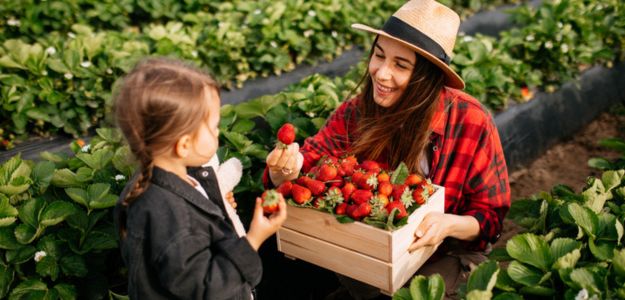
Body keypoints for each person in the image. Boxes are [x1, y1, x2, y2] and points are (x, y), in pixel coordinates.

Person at [265, 0, 510, 299]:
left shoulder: (471, 121)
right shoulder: (356, 114)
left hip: (448, 254)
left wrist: (448, 225)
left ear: (427, 77)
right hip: (373, 254)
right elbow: (311, 160)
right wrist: (284, 171)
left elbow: (490, 216)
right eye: (378, 56)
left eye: (400, 65)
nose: (381, 73)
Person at [113, 58, 287, 299]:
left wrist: (213, 204)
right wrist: (254, 238)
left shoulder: (150, 184)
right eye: (214, 126)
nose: (218, 131)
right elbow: (208, 290)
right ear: (184, 145)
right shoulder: (174, 217)